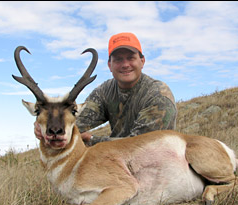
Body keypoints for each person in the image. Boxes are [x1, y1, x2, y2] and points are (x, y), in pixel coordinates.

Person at [34, 32, 177, 146]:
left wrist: (90, 140)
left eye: (130, 58)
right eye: (118, 59)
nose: (125, 64)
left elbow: (141, 146)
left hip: (154, 165)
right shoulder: (104, 91)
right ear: (109, 65)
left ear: (142, 61)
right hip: (116, 161)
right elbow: (77, 122)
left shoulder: (158, 96)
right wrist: (45, 124)